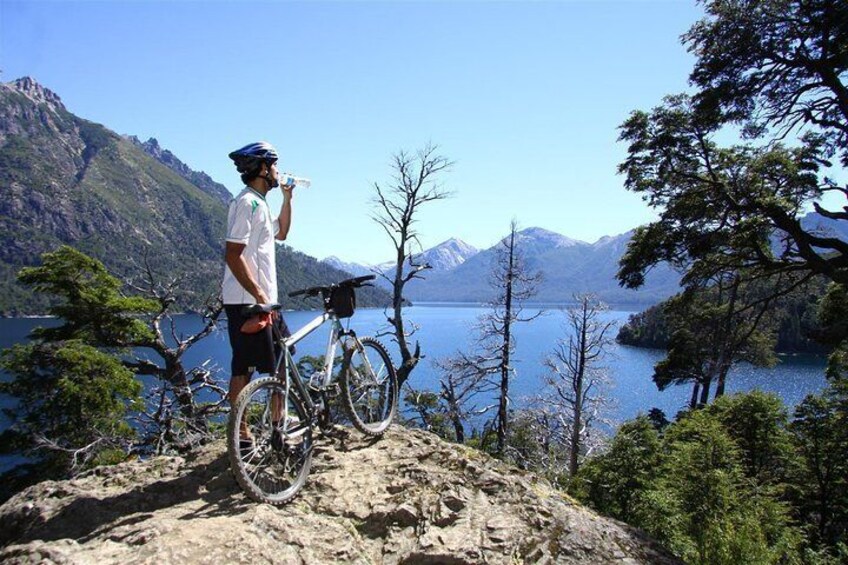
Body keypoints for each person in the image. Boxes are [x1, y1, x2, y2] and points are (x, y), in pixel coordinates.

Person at [222, 141, 294, 436]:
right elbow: (233, 254)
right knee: (245, 367)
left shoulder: (260, 204)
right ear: (263, 169)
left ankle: (277, 422)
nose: (278, 171)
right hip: (248, 301)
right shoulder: (246, 203)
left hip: (261, 300)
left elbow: (283, 233)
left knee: (279, 359)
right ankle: (241, 435)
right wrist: (261, 296)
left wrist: (288, 199)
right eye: (274, 166)